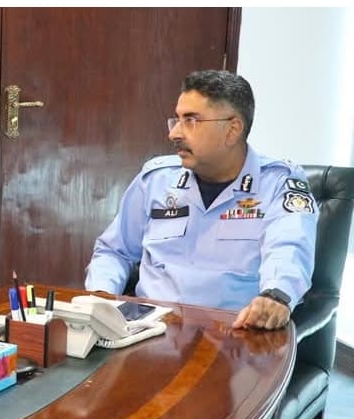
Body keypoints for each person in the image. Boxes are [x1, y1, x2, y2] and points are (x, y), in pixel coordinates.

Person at [85, 70, 318, 331]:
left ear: (232, 130)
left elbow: (289, 247)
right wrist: (101, 298)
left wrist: (276, 295)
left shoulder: (278, 183)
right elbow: (114, 250)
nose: (175, 133)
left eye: (191, 120)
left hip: (234, 336)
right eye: (176, 120)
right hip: (148, 331)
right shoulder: (157, 180)